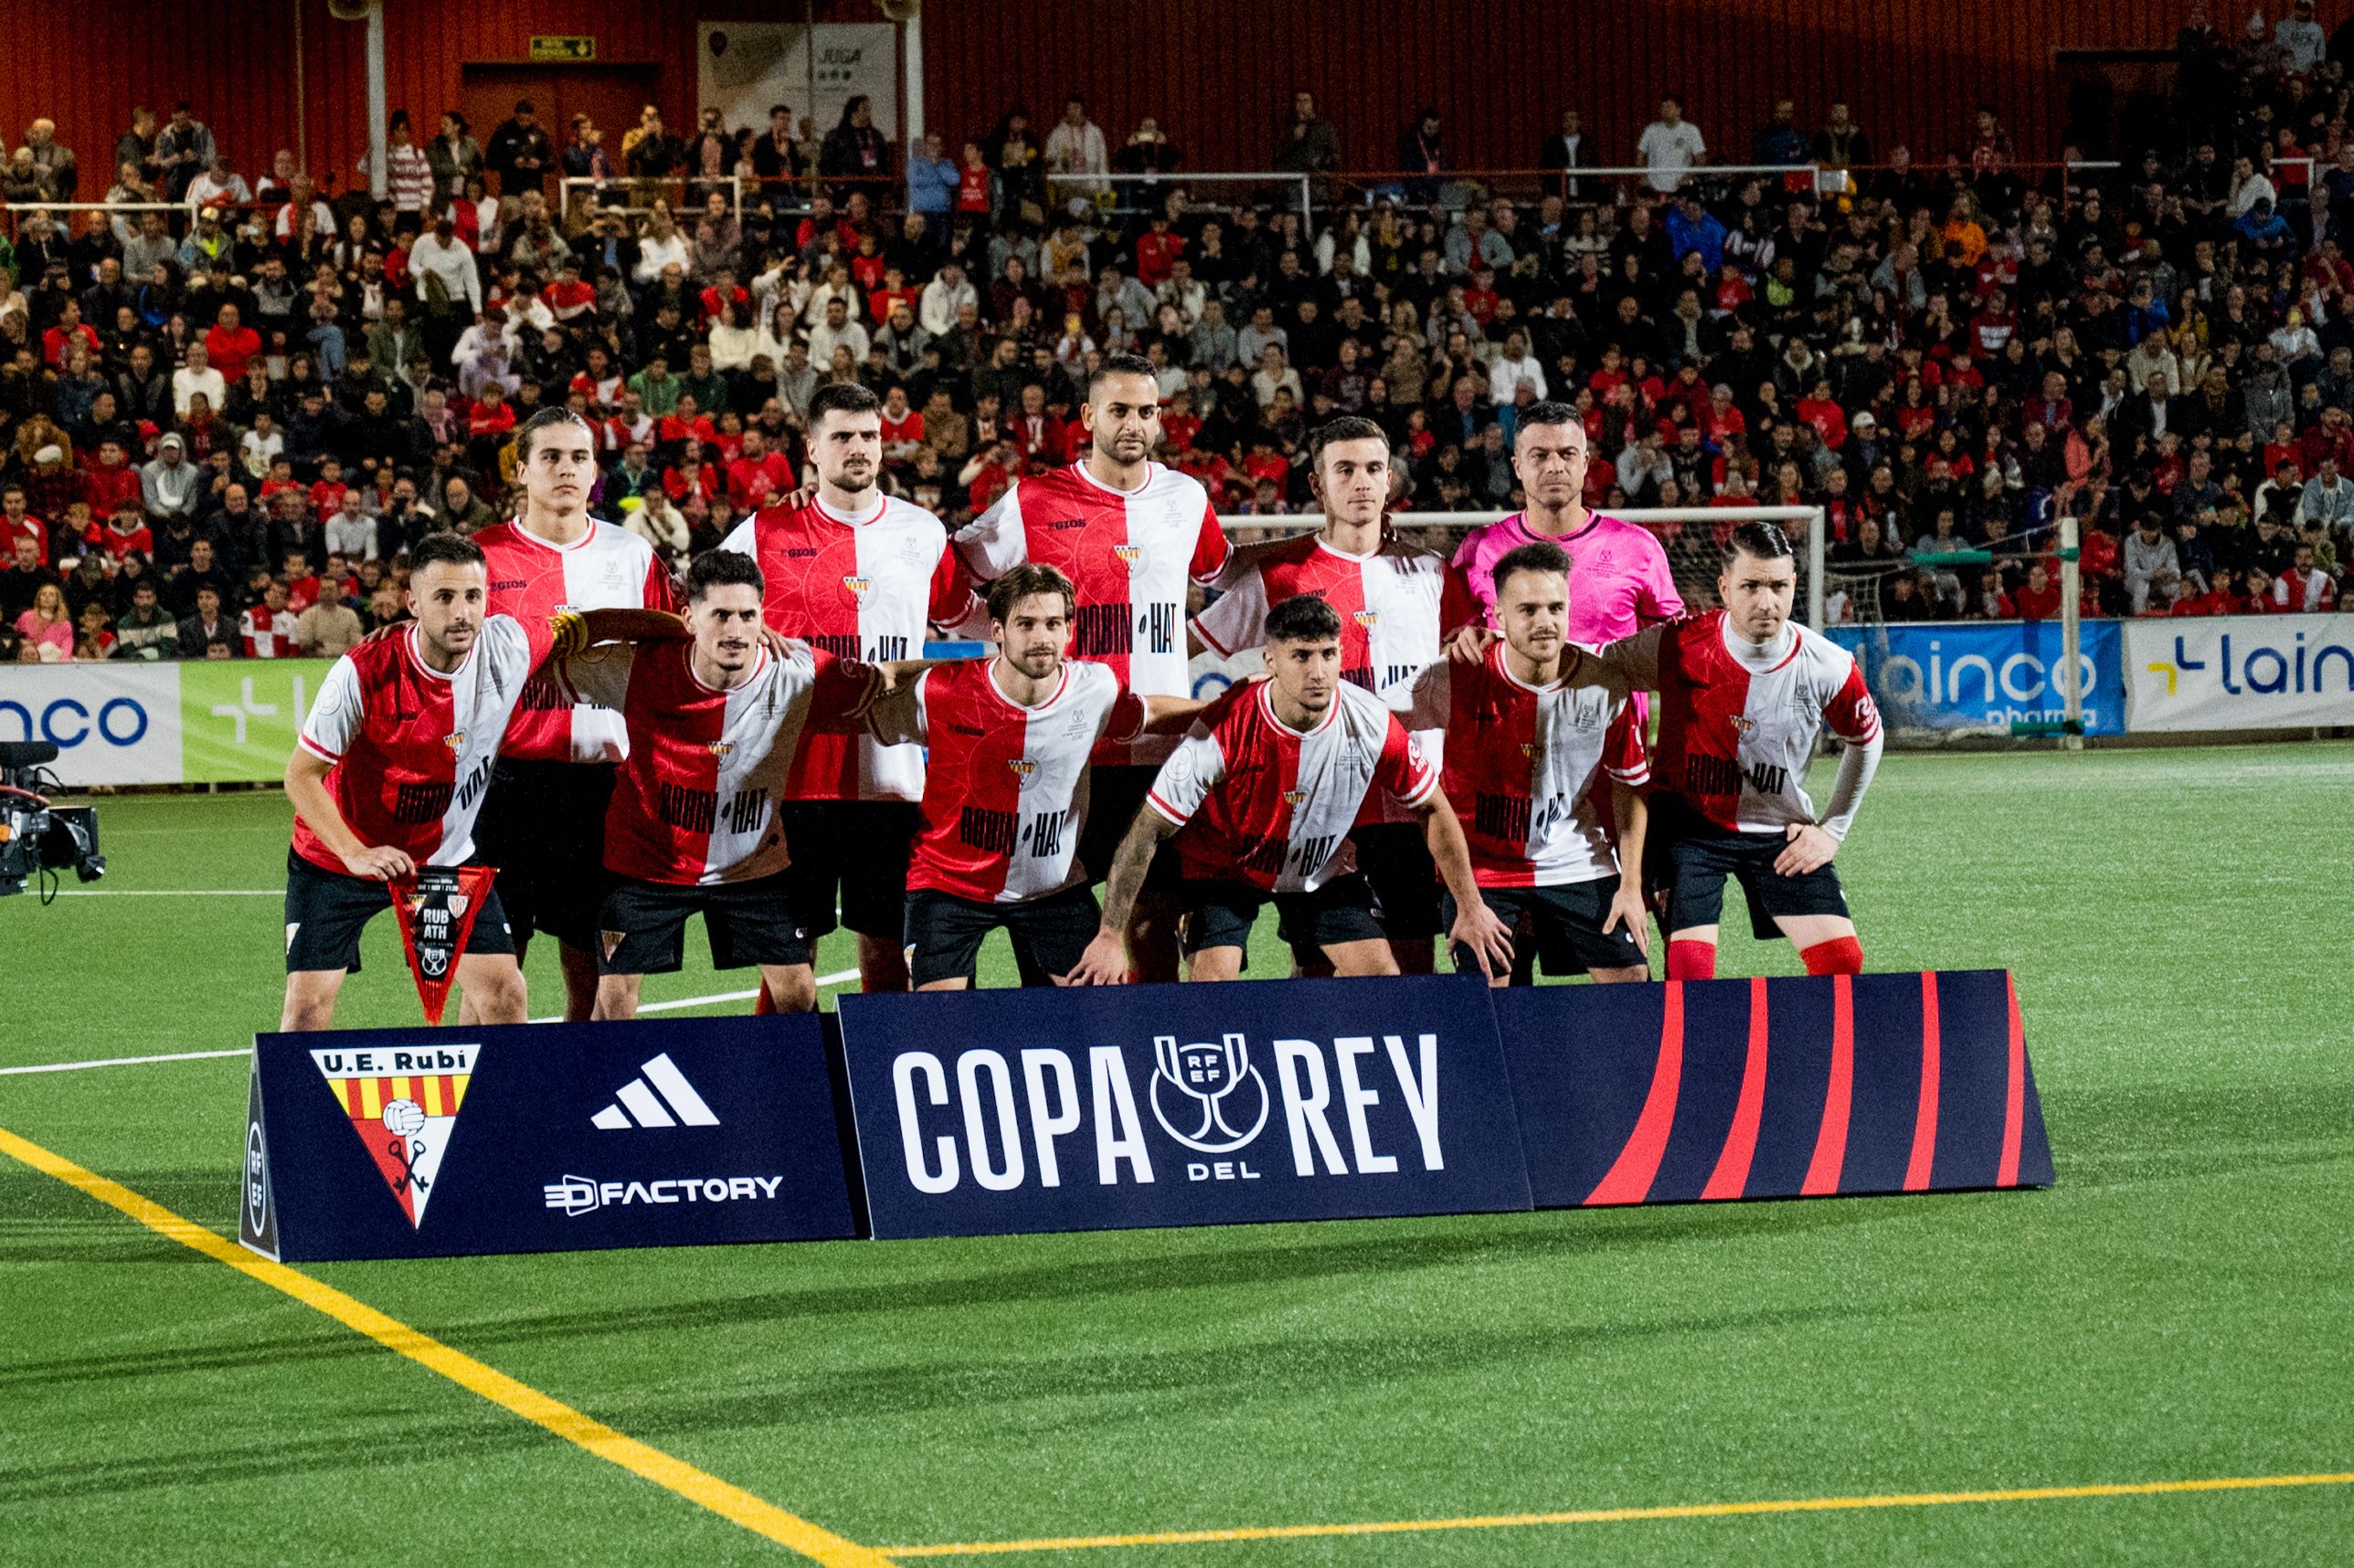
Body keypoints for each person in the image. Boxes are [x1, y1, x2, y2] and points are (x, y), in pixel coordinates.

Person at [278, 532, 684, 1032]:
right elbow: (300, 777)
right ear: (412, 603)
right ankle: (303, 1111)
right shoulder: (362, 671)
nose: (462, 613)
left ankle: (495, 1111)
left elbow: (593, 624)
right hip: (335, 858)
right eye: (444, 598)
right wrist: (355, 852)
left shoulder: (509, 645)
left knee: (504, 994)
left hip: (443, 856)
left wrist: (686, 632)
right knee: (308, 1006)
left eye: (473, 596)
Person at [954, 352, 1230, 981]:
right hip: (1065, 750)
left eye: (1146, 412)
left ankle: (1147, 1055)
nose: (1133, 424)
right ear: (1088, 417)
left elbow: (1227, 571)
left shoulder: (1186, 498)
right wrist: (1005, 646)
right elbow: (955, 573)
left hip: (1162, 751)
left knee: (1154, 928)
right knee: (1058, 942)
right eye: (1119, 411)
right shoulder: (1034, 499)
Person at [559, 550, 922, 1020]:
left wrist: (984, 667)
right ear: (688, 618)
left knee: (797, 993)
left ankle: (788, 1089)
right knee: (612, 1003)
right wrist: (627, 624)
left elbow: (886, 679)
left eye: (748, 616)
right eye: (721, 616)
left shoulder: (797, 672)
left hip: (752, 869)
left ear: (763, 619)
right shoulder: (636, 668)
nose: (735, 631)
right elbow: (550, 653)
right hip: (648, 864)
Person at [1074, 593, 1510, 984]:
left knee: (1383, 983)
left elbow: (1433, 808)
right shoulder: (1224, 729)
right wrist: (1110, 935)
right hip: (1226, 871)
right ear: (1270, 661)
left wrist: (1470, 908)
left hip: (1319, 871)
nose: (1317, 672)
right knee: (1212, 985)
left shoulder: (1371, 721)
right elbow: (1146, 828)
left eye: (1327, 654)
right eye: (1301, 656)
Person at [720, 381, 975, 995]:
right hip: (789, 780)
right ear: (812, 447)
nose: (857, 448)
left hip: (892, 783)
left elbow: (967, 616)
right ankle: (788, 1087)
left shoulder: (923, 533)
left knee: (887, 957)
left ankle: (881, 1084)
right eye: (842, 437)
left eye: (868, 436)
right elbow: (704, 613)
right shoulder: (763, 534)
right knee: (788, 971)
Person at [1559, 523, 1882, 980]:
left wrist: (1833, 829)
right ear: (1725, 589)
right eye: (1751, 586)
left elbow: (1868, 737)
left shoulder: (1827, 664)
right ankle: (1700, 1052)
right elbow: (1604, 663)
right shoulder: (1680, 644)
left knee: (1842, 961)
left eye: (1778, 586)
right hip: (1688, 828)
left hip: (1778, 826)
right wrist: (1514, 648)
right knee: (1690, 969)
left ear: (1794, 586)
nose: (1766, 601)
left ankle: (1800, 1051)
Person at [1192, 417, 1449, 973]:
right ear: (1317, 484)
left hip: (1407, 807)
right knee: (1317, 970)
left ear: (1389, 483)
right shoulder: (1280, 575)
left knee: (1412, 972)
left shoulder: (1431, 573)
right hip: (1315, 807)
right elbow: (1183, 646)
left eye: (1374, 469)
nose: (1361, 482)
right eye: (1346, 469)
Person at [869, 564, 1204, 990]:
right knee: (941, 1026)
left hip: (1053, 890)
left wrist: (1224, 706)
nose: (1041, 637)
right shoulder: (941, 690)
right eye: (1025, 624)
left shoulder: (1094, 687)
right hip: (948, 885)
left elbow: (1147, 713)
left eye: (1053, 623)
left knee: (1095, 1016)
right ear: (997, 631)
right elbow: (862, 713)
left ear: (1068, 631)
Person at [470, 408, 678, 1022]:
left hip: (605, 789)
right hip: (503, 786)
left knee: (591, 965)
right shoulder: (481, 557)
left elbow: (668, 661)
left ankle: (575, 1104)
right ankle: (480, 1104)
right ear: (523, 471)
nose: (566, 469)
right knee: (492, 973)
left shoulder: (633, 555)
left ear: (595, 473)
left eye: (578, 458)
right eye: (551, 457)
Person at [1406, 542, 1650, 985]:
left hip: (1577, 861)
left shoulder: (1606, 685)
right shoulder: (1449, 679)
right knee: (1488, 996)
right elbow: (1391, 750)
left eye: (1556, 608)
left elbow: (1629, 786)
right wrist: (1466, 902)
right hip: (1482, 869)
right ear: (1497, 618)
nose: (1545, 622)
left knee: (1634, 988)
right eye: (1529, 610)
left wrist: (1630, 887)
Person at [1443, 399, 1683, 655]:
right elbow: (1448, 643)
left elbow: (1676, 648)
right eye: (1540, 456)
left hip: (1613, 695)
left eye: (1567, 454)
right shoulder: (1479, 548)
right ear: (1517, 467)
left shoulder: (1637, 546)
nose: (1555, 467)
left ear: (1584, 463)